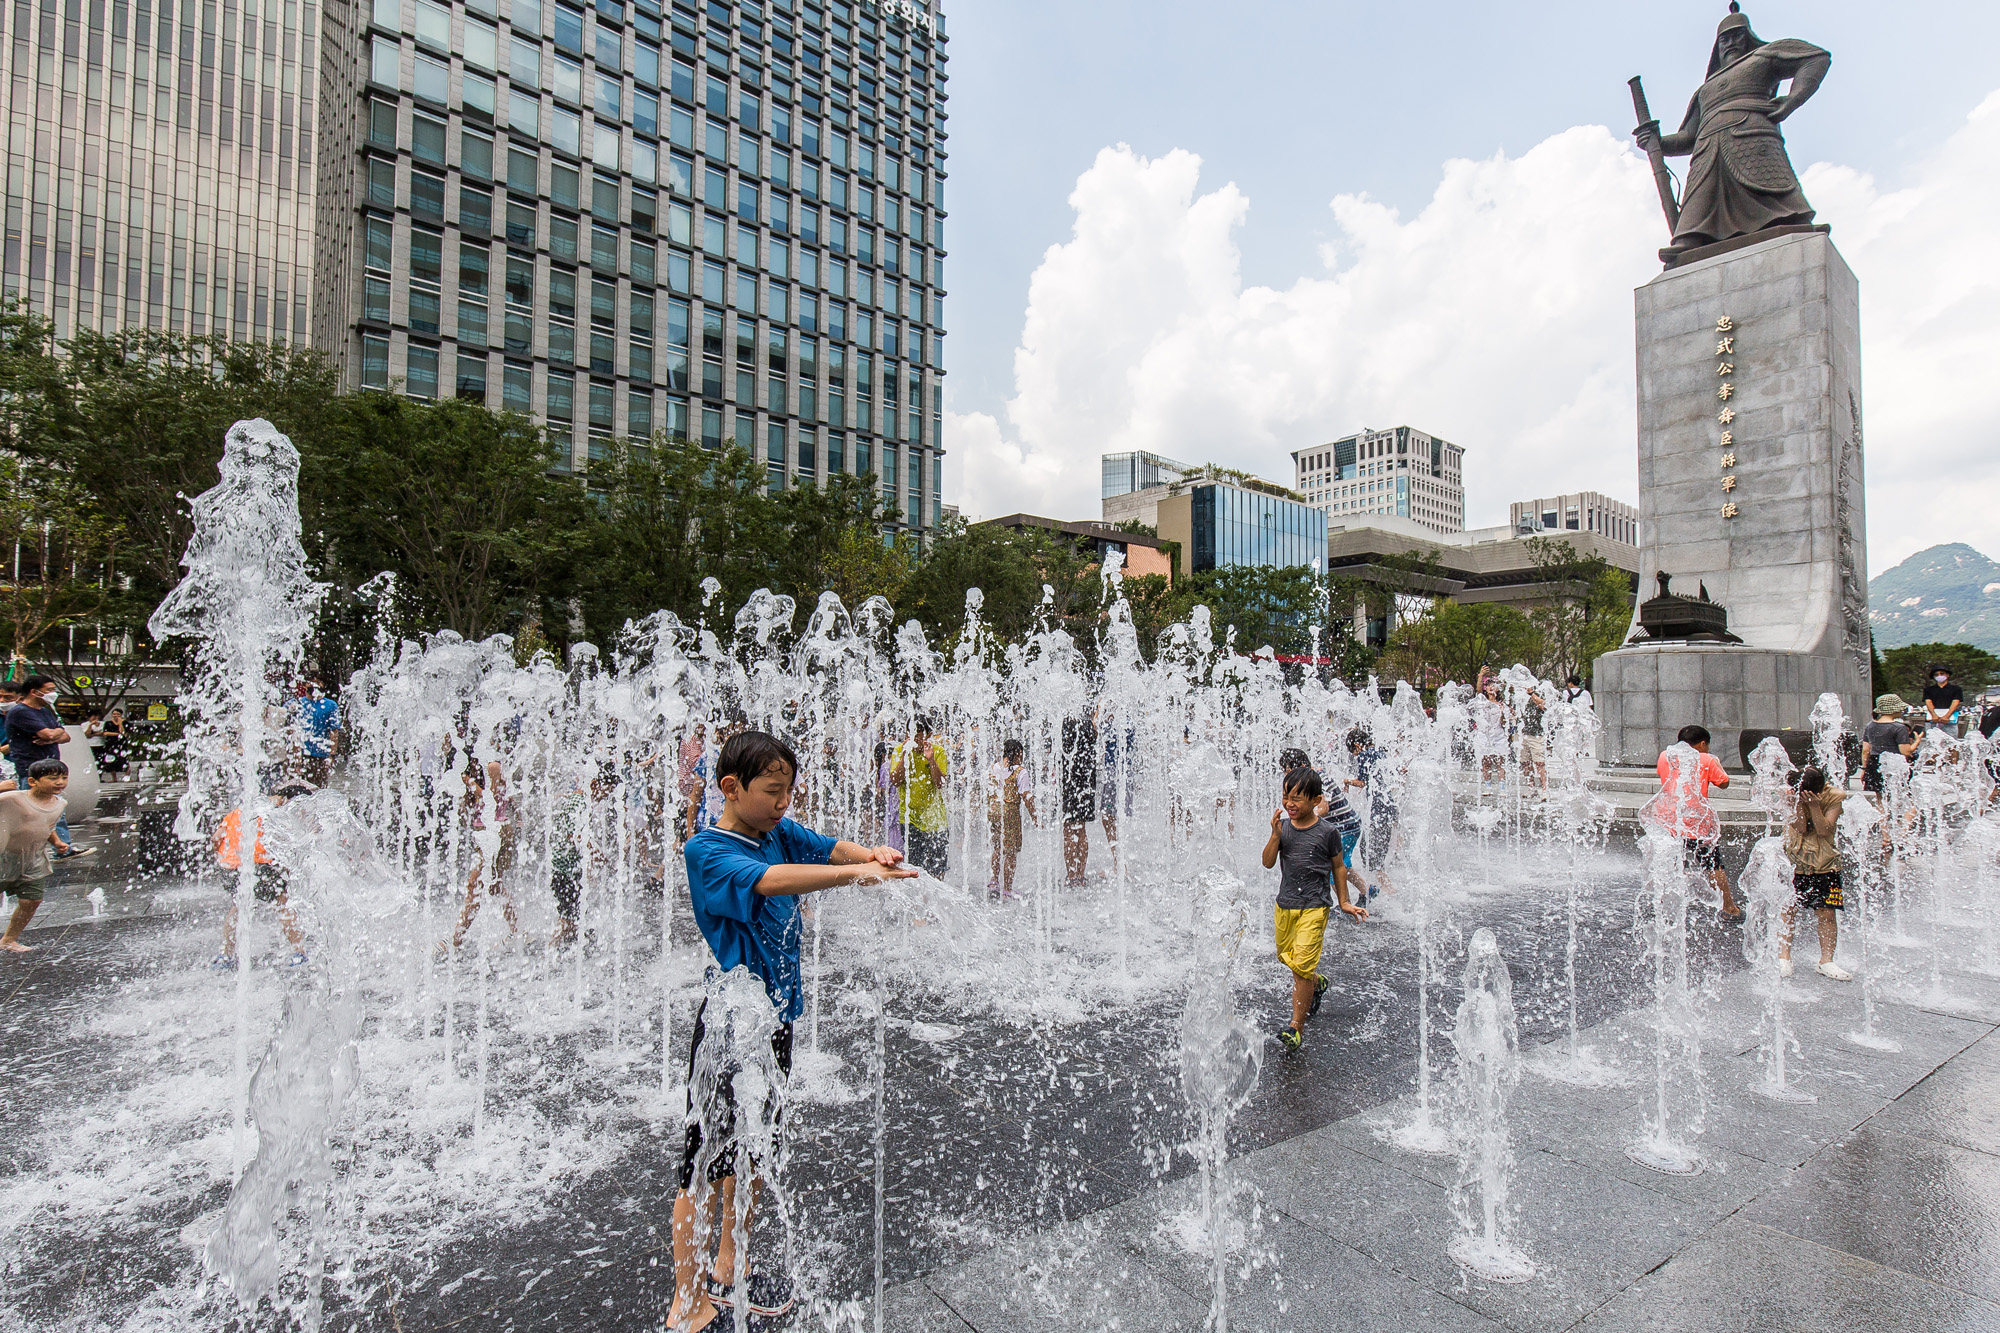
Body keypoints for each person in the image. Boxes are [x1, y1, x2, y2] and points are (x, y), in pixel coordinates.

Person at [671, 731, 913, 1332]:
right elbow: (772, 880)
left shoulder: (774, 828)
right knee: (702, 1162)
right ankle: (687, 1296)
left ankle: (730, 1258)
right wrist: (854, 878)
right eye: (773, 792)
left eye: (788, 792)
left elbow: (826, 847)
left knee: (755, 1150)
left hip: (774, 1016)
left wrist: (870, 856)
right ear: (731, 788)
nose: (783, 804)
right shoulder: (708, 850)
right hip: (731, 1025)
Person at [1262, 766, 1367, 1053]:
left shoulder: (1328, 832)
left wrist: (1344, 901)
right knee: (1288, 959)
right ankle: (1317, 982)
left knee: (1301, 967)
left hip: (1315, 906)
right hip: (1286, 905)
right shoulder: (1282, 829)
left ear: (1316, 800)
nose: (1290, 803)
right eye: (1286, 796)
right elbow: (1267, 863)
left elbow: (1339, 866)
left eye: (1297, 798)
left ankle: (1296, 1027)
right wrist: (1274, 835)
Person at [211, 780, 311, 969]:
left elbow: (216, 837)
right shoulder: (278, 812)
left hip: (229, 866)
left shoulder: (242, 810)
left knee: (238, 906)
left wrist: (223, 857)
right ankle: (299, 952)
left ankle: (225, 955)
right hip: (259, 864)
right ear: (286, 800)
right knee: (283, 902)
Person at [1652, 724, 1742, 920]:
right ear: (1702, 744)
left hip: (1670, 821)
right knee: (1713, 865)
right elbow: (1724, 783)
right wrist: (1715, 762)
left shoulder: (1664, 756)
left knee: (1673, 862)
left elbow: (1664, 775)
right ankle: (1729, 907)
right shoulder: (1706, 758)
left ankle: (1664, 905)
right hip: (1697, 823)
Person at [1777, 766, 1850, 981]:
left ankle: (1826, 961)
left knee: (1827, 913)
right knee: (1788, 909)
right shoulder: (1790, 795)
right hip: (1795, 861)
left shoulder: (1834, 797)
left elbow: (1824, 830)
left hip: (1825, 864)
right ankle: (1784, 957)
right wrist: (1798, 803)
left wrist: (1815, 806)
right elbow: (1800, 827)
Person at [6, 676, 87, 859]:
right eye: (49, 689)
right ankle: (31, 852)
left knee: (53, 808)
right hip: (32, 768)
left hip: (49, 767)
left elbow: (65, 736)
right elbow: (47, 733)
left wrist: (54, 735)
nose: (53, 693)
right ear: (34, 692)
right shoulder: (21, 712)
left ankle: (63, 848)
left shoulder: (44, 711)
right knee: (34, 811)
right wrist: (53, 734)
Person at [445, 756, 520, 952]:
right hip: (487, 834)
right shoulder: (479, 766)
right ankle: (516, 930)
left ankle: (456, 939)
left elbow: (492, 799)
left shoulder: (492, 765)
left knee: (474, 885)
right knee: (494, 886)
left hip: (496, 833)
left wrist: (470, 783)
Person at [0, 759, 75, 952]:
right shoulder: (13, 798)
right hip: (4, 856)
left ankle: (8, 940)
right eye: (52, 778)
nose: (60, 782)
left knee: (31, 900)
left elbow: (46, 825)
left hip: (34, 858)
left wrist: (56, 841)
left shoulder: (60, 803)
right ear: (33, 781)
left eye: (64, 777)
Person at [549, 765, 618, 949]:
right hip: (563, 870)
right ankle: (550, 949)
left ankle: (569, 943)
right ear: (594, 784)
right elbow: (576, 837)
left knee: (573, 914)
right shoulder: (579, 802)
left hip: (568, 868)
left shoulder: (580, 801)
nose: (604, 797)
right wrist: (596, 856)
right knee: (567, 917)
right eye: (604, 792)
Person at [890, 717, 950, 874]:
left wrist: (931, 760)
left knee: (938, 868)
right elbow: (895, 781)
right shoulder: (898, 751)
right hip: (910, 820)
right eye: (909, 735)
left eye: (917, 735)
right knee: (916, 869)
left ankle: (937, 898)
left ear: (927, 735)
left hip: (935, 820)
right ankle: (920, 898)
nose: (913, 740)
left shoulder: (938, 752)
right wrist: (904, 758)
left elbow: (941, 784)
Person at [1345, 726, 1398, 894]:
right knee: (1376, 850)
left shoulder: (1364, 755)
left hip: (1377, 809)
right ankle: (1386, 888)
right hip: (1389, 807)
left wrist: (1347, 781)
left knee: (1368, 850)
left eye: (1353, 751)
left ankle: (1389, 890)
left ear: (1357, 746)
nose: (1354, 755)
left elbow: (1361, 781)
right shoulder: (1381, 753)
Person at [986, 738, 1035, 900]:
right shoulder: (1021, 772)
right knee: (1011, 851)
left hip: (994, 811)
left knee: (997, 847)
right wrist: (1035, 817)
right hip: (1010, 813)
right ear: (1019, 753)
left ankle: (994, 881)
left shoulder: (995, 768)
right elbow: (1026, 796)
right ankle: (1007, 889)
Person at [1059, 714, 1099, 887]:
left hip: (1070, 781)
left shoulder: (1067, 721)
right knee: (1081, 828)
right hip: (1087, 781)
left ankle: (1072, 875)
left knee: (1069, 828)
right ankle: (1080, 875)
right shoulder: (1090, 726)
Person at [1859, 694, 1918, 797]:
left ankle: (1882, 813)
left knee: (1880, 798)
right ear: (1893, 709)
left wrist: (1864, 768)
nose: (1901, 710)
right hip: (1894, 764)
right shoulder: (1899, 727)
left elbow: (1866, 750)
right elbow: (1906, 751)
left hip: (1875, 763)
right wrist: (1917, 741)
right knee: (1900, 797)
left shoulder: (1870, 726)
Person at [288, 679, 344, 786]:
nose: (314, 687)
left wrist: (332, 755)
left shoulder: (330, 705)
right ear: (305, 686)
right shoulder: (296, 704)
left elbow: (334, 731)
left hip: (320, 755)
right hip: (300, 755)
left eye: (318, 684)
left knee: (318, 789)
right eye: (311, 684)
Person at [1472, 681, 1509, 787]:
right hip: (1484, 735)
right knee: (1486, 761)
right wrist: (1481, 675)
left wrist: (1502, 714)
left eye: (1494, 686)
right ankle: (1488, 785)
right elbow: (1478, 691)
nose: (1491, 687)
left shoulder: (1502, 705)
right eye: (1488, 685)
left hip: (1498, 735)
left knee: (1500, 762)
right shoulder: (1482, 702)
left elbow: (1504, 723)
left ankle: (1502, 786)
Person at [1518, 685, 1549, 792]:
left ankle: (1545, 789)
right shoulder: (1520, 697)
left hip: (1536, 735)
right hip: (1523, 734)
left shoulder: (1538, 695)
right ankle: (1532, 788)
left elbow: (1544, 705)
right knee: (1525, 763)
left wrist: (1531, 694)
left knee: (1539, 763)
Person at [1922, 665, 1964, 736]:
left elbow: (1955, 702)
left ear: (1947, 675)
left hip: (1950, 720)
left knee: (1951, 742)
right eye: (1936, 674)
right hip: (1932, 719)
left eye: (1942, 673)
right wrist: (1934, 715)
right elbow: (1928, 702)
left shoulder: (1956, 689)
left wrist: (1947, 716)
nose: (1939, 676)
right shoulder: (1928, 689)